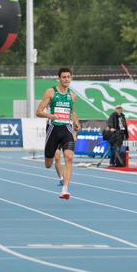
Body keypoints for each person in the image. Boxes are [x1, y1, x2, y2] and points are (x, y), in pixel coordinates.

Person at [36, 67, 81, 200]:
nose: (66, 79)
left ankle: (65, 189)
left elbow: (72, 112)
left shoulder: (72, 96)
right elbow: (38, 112)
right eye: (64, 77)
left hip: (67, 129)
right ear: (59, 78)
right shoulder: (51, 92)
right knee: (48, 164)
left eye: (68, 77)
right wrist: (50, 116)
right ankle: (50, 161)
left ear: (71, 78)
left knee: (69, 157)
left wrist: (76, 122)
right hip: (53, 130)